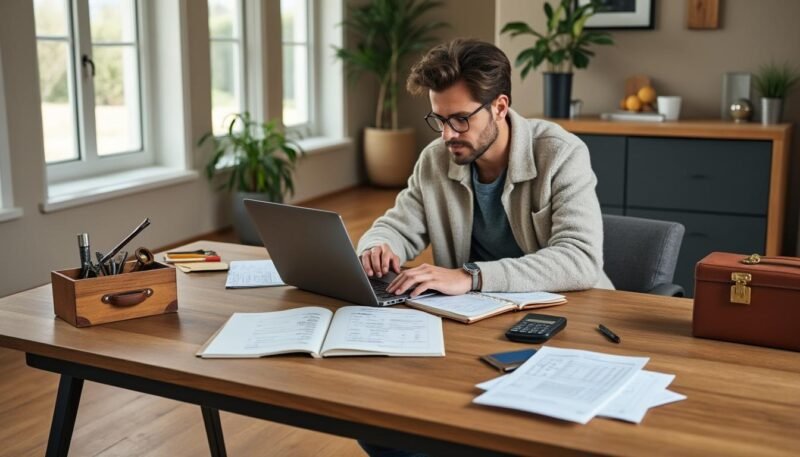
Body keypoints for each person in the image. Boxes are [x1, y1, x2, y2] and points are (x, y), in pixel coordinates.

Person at [357, 38, 613, 302]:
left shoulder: (561, 153)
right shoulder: (435, 159)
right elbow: (397, 227)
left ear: (500, 107)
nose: (447, 135)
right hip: (477, 310)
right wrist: (376, 247)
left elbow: (580, 259)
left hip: (570, 309)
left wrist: (471, 277)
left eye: (461, 119)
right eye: (440, 119)